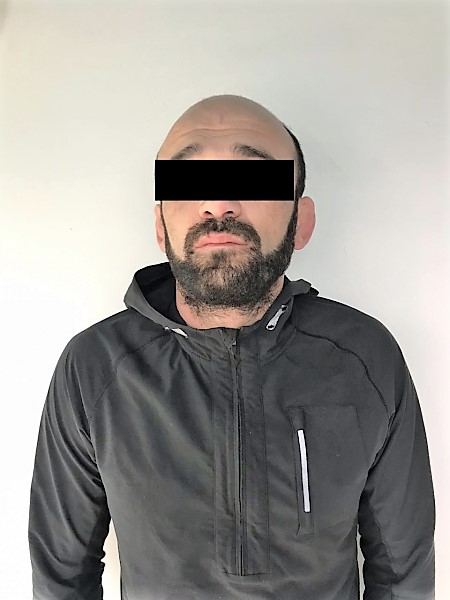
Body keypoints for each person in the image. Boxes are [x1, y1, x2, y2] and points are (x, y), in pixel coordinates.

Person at [28, 94, 435, 600]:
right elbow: (62, 578)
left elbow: (402, 575)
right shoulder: (93, 368)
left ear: (301, 221)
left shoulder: (366, 357)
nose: (218, 203)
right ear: (160, 226)